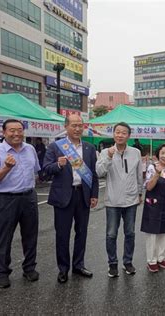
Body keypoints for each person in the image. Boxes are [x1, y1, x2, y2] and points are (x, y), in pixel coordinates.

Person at [43, 114, 99, 284]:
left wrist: (94, 194)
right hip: (63, 197)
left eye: (80, 125)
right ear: (66, 126)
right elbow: (44, 171)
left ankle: (78, 265)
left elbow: (94, 174)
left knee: (81, 232)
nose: (77, 128)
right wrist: (58, 164)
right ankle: (63, 269)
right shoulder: (56, 147)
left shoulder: (89, 148)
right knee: (62, 235)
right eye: (74, 125)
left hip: (83, 195)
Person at [0, 119, 40, 288]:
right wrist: (6, 168)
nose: (16, 134)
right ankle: (3, 273)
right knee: (4, 237)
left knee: (30, 236)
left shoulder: (30, 149)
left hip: (29, 197)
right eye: (12, 130)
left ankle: (29, 268)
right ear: (4, 133)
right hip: (6, 199)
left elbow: (36, 171)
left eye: (19, 130)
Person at [96, 122, 143, 278]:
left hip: (131, 200)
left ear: (128, 135)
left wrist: (140, 192)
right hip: (112, 200)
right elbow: (100, 172)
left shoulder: (135, 152)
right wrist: (109, 157)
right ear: (113, 134)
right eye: (117, 132)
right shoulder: (105, 152)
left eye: (124, 133)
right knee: (111, 234)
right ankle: (113, 264)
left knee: (130, 233)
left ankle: (127, 262)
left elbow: (138, 175)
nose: (120, 135)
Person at [141, 143, 165, 273]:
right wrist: (157, 173)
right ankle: (151, 260)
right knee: (152, 234)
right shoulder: (152, 167)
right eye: (162, 153)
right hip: (153, 205)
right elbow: (149, 187)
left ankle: (161, 258)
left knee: (164, 233)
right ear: (158, 154)